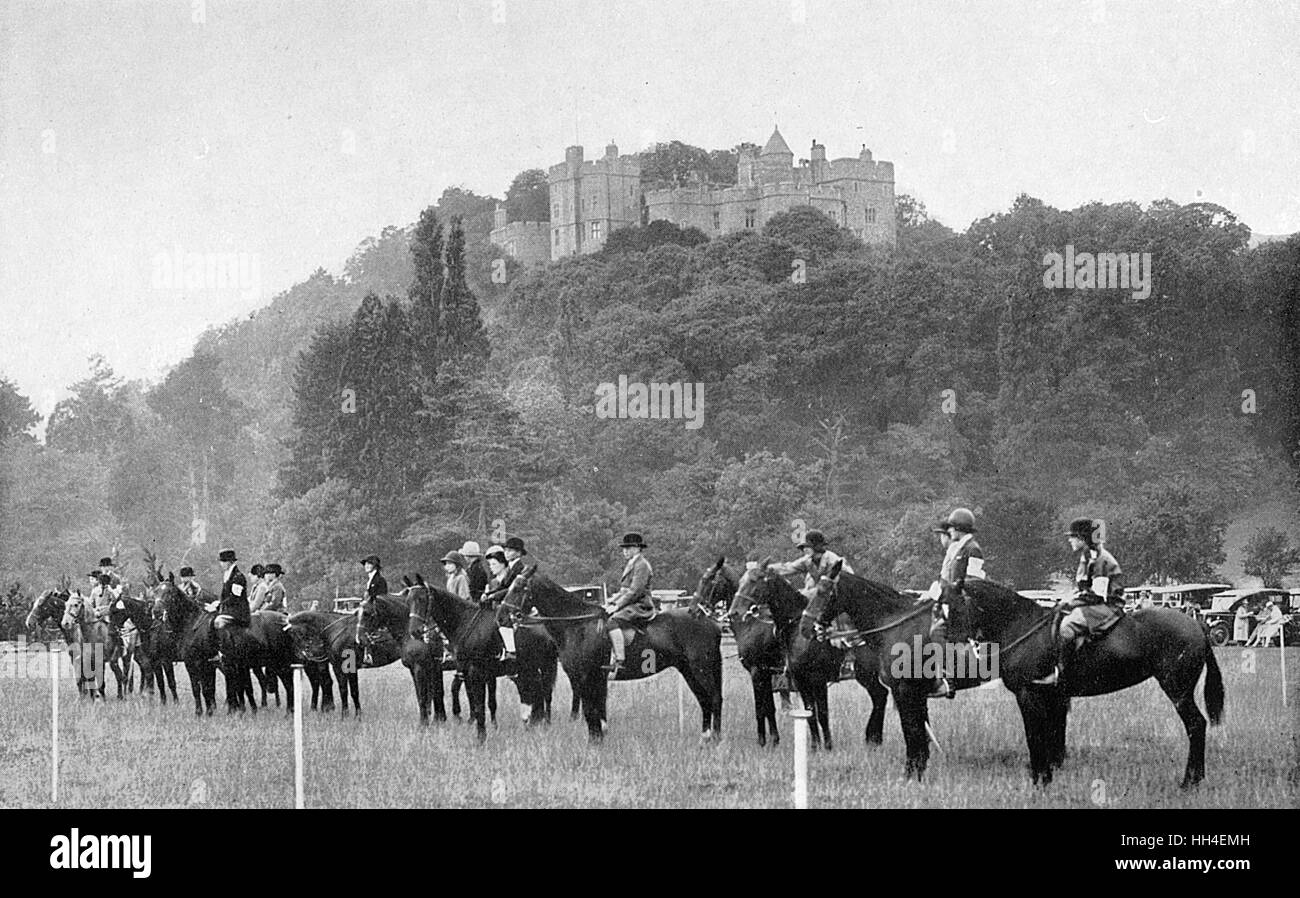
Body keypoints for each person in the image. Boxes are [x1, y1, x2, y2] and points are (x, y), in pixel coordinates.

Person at [1033, 518, 1123, 685]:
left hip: (1107, 606)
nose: (1070, 540)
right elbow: (1084, 589)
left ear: (1083, 539)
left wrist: (1070, 603)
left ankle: (1063, 674)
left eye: (1073, 537)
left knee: (1067, 626)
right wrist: (1066, 600)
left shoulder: (1101, 560)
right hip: (1095, 602)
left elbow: (1096, 595)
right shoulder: (1086, 556)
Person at [926, 507, 986, 697]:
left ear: (958, 529)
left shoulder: (973, 549)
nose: (949, 531)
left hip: (963, 608)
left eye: (951, 528)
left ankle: (948, 679)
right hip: (951, 603)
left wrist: (948, 593)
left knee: (936, 633)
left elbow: (974, 583)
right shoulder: (957, 548)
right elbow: (946, 580)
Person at [603, 532, 654, 677]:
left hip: (640, 605)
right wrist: (611, 601)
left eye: (628, 548)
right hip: (631, 602)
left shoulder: (642, 565)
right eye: (624, 548)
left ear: (637, 548)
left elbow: (635, 591)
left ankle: (619, 660)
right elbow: (624, 590)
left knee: (612, 621)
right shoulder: (631, 563)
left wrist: (617, 606)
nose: (624, 551)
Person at [770, 530, 854, 600]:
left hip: (838, 600)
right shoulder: (807, 560)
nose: (804, 550)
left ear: (817, 546)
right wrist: (767, 568)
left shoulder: (833, 560)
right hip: (816, 599)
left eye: (807, 546)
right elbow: (788, 568)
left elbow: (840, 584)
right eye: (803, 548)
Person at [480, 546, 520, 661]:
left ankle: (510, 651)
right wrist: (485, 596)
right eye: (489, 565)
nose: (491, 567)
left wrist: (492, 596)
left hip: (507, 610)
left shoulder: (511, 577)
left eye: (493, 564)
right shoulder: (492, 582)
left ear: (503, 564)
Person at [356, 555, 388, 665]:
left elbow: (381, 598)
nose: (366, 566)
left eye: (369, 564)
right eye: (365, 564)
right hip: (367, 610)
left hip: (376, 611)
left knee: (365, 627)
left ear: (375, 566)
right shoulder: (370, 580)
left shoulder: (380, 580)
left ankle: (368, 654)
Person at [208, 549, 250, 631]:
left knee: (217, 622)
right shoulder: (227, 575)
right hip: (228, 610)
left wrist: (219, 604)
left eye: (223, 561)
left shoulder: (238, 577)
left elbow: (235, 598)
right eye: (221, 561)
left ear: (230, 562)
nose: (221, 564)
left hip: (238, 613)